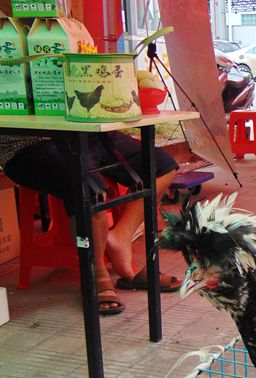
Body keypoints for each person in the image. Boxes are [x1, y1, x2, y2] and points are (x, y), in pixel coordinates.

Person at [0, 131, 179, 314]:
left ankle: (120, 237)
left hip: (86, 133)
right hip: (26, 144)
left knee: (161, 166)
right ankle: (96, 275)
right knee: (90, 190)